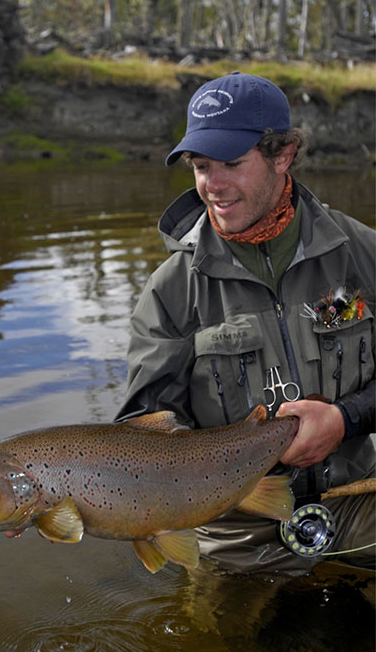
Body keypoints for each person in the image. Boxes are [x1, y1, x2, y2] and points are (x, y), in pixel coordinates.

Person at [117, 71, 375, 574]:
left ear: (283, 156)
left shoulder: (361, 254)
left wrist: (346, 419)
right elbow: (143, 435)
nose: (212, 185)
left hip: (357, 503)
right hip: (233, 533)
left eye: (232, 163)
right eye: (201, 165)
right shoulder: (169, 292)